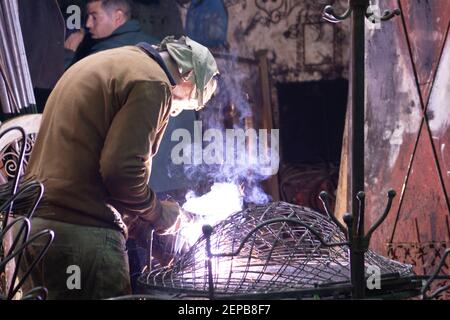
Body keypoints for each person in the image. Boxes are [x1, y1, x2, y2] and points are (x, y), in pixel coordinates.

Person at [18, 36, 219, 300]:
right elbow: (121, 172)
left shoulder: (113, 62)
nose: (179, 109)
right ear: (187, 76)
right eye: (189, 101)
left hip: (34, 228)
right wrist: (159, 213)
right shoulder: (153, 84)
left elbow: (86, 159)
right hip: (82, 235)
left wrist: (136, 221)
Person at [64, 0, 158, 69]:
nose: (88, 24)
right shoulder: (154, 43)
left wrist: (69, 52)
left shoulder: (102, 54)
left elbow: (68, 89)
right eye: (88, 17)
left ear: (118, 17)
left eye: (94, 17)